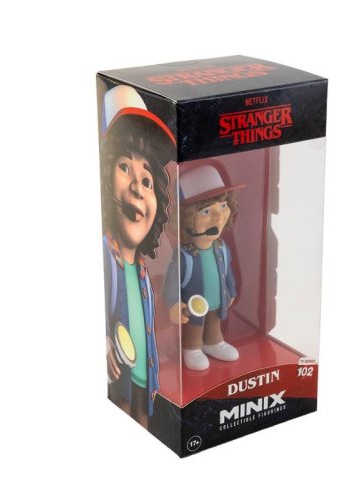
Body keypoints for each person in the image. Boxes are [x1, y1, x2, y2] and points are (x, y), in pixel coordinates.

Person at [100, 85, 175, 428]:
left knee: (145, 425)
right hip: (119, 377)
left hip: (146, 377)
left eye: (147, 180)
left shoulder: (142, 269)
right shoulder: (105, 254)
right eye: (123, 167)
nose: (137, 188)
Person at [163, 162, 245, 370]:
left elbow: (227, 271)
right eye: (206, 211)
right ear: (187, 219)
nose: (218, 216)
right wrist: (174, 304)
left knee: (214, 322)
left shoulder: (221, 247)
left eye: (223, 206)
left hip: (218, 300)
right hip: (193, 306)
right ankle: (191, 348)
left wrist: (231, 290)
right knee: (195, 326)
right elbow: (172, 282)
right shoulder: (184, 256)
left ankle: (214, 342)